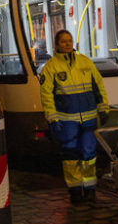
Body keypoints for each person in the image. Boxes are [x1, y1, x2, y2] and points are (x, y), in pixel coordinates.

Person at [40, 29, 109, 203]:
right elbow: (46, 96)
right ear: (56, 45)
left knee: (89, 154)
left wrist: (104, 108)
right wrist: (52, 119)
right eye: (63, 41)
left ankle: (90, 188)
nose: (67, 44)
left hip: (89, 119)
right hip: (66, 120)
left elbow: (98, 86)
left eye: (69, 40)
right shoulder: (50, 67)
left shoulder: (85, 62)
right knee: (70, 156)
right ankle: (75, 190)